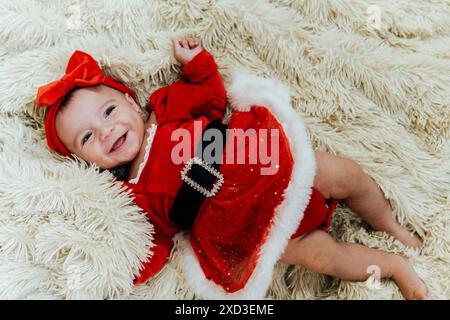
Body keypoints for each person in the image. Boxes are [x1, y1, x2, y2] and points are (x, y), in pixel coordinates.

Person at [35, 37, 427, 300]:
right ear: (85, 165)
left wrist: (196, 64)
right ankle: (393, 266)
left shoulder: (167, 112)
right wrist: (126, 272)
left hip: (264, 163)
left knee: (346, 174)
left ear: (132, 103)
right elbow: (149, 243)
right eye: (87, 139)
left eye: (109, 112)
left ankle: (390, 225)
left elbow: (210, 97)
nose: (106, 132)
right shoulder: (133, 195)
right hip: (244, 227)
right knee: (322, 256)